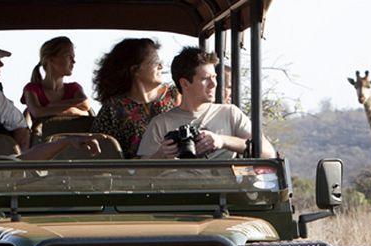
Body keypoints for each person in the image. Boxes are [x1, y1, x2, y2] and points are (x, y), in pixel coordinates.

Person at [137, 47, 276, 160]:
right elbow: (140, 177)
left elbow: (268, 154)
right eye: (205, 79)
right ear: (185, 83)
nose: (214, 84)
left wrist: (222, 141)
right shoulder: (160, 124)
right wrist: (162, 154)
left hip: (223, 192)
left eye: (214, 77)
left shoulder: (230, 113)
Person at [92, 38, 181, 158]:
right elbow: (102, 156)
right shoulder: (112, 109)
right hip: (135, 176)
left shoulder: (177, 95)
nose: (161, 66)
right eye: (156, 62)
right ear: (135, 70)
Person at [21, 36, 91, 120]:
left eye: (73, 57)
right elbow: (37, 112)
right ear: (51, 59)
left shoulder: (74, 88)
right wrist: (73, 111)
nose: (73, 61)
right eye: (69, 56)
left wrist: (52, 106)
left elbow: (85, 104)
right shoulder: (32, 89)